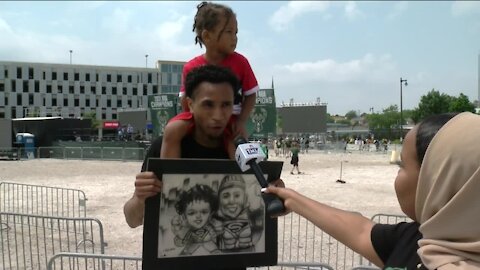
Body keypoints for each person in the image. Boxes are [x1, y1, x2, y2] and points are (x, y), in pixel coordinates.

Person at [266, 112, 480, 269]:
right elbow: (360, 229)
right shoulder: (420, 239)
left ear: (437, 180)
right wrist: (292, 199)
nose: (396, 176)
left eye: (402, 166)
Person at [123, 65, 284, 270]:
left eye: (226, 105)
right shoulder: (162, 147)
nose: (218, 115)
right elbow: (132, 219)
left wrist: (276, 198)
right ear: (190, 104)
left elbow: (265, 215)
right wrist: (139, 198)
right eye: (208, 105)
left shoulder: (245, 152)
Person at [160, 1, 259, 160]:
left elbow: (251, 94)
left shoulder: (241, 62)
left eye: (236, 33)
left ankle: (238, 181)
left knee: (235, 146)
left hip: (230, 119)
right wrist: (192, 122)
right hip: (199, 117)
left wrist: (241, 121)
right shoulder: (191, 66)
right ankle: (169, 175)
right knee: (171, 129)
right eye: (229, 32)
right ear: (207, 36)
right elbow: (186, 100)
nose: (234, 38)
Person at [211, 175, 257, 252]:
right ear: (219, 200)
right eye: (225, 196)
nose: (231, 201)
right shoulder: (213, 224)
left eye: (237, 195)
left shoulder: (253, 221)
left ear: (245, 199)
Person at [172, 184, 220, 256]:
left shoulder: (211, 226)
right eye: (191, 213)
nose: (198, 216)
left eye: (204, 212)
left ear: (211, 213)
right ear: (184, 215)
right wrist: (181, 232)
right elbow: (178, 243)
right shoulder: (187, 229)